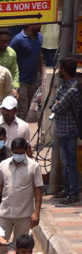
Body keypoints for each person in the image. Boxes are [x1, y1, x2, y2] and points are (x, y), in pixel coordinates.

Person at [51, 60, 80, 203]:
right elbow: (53, 102)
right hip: (62, 131)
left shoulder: (72, 89)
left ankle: (73, 194)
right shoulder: (64, 87)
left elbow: (58, 107)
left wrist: (56, 104)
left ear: (63, 70)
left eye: (60, 68)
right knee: (66, 162)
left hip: (69, 130)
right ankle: (67, 190)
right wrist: (55, 103)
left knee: (70, 163)